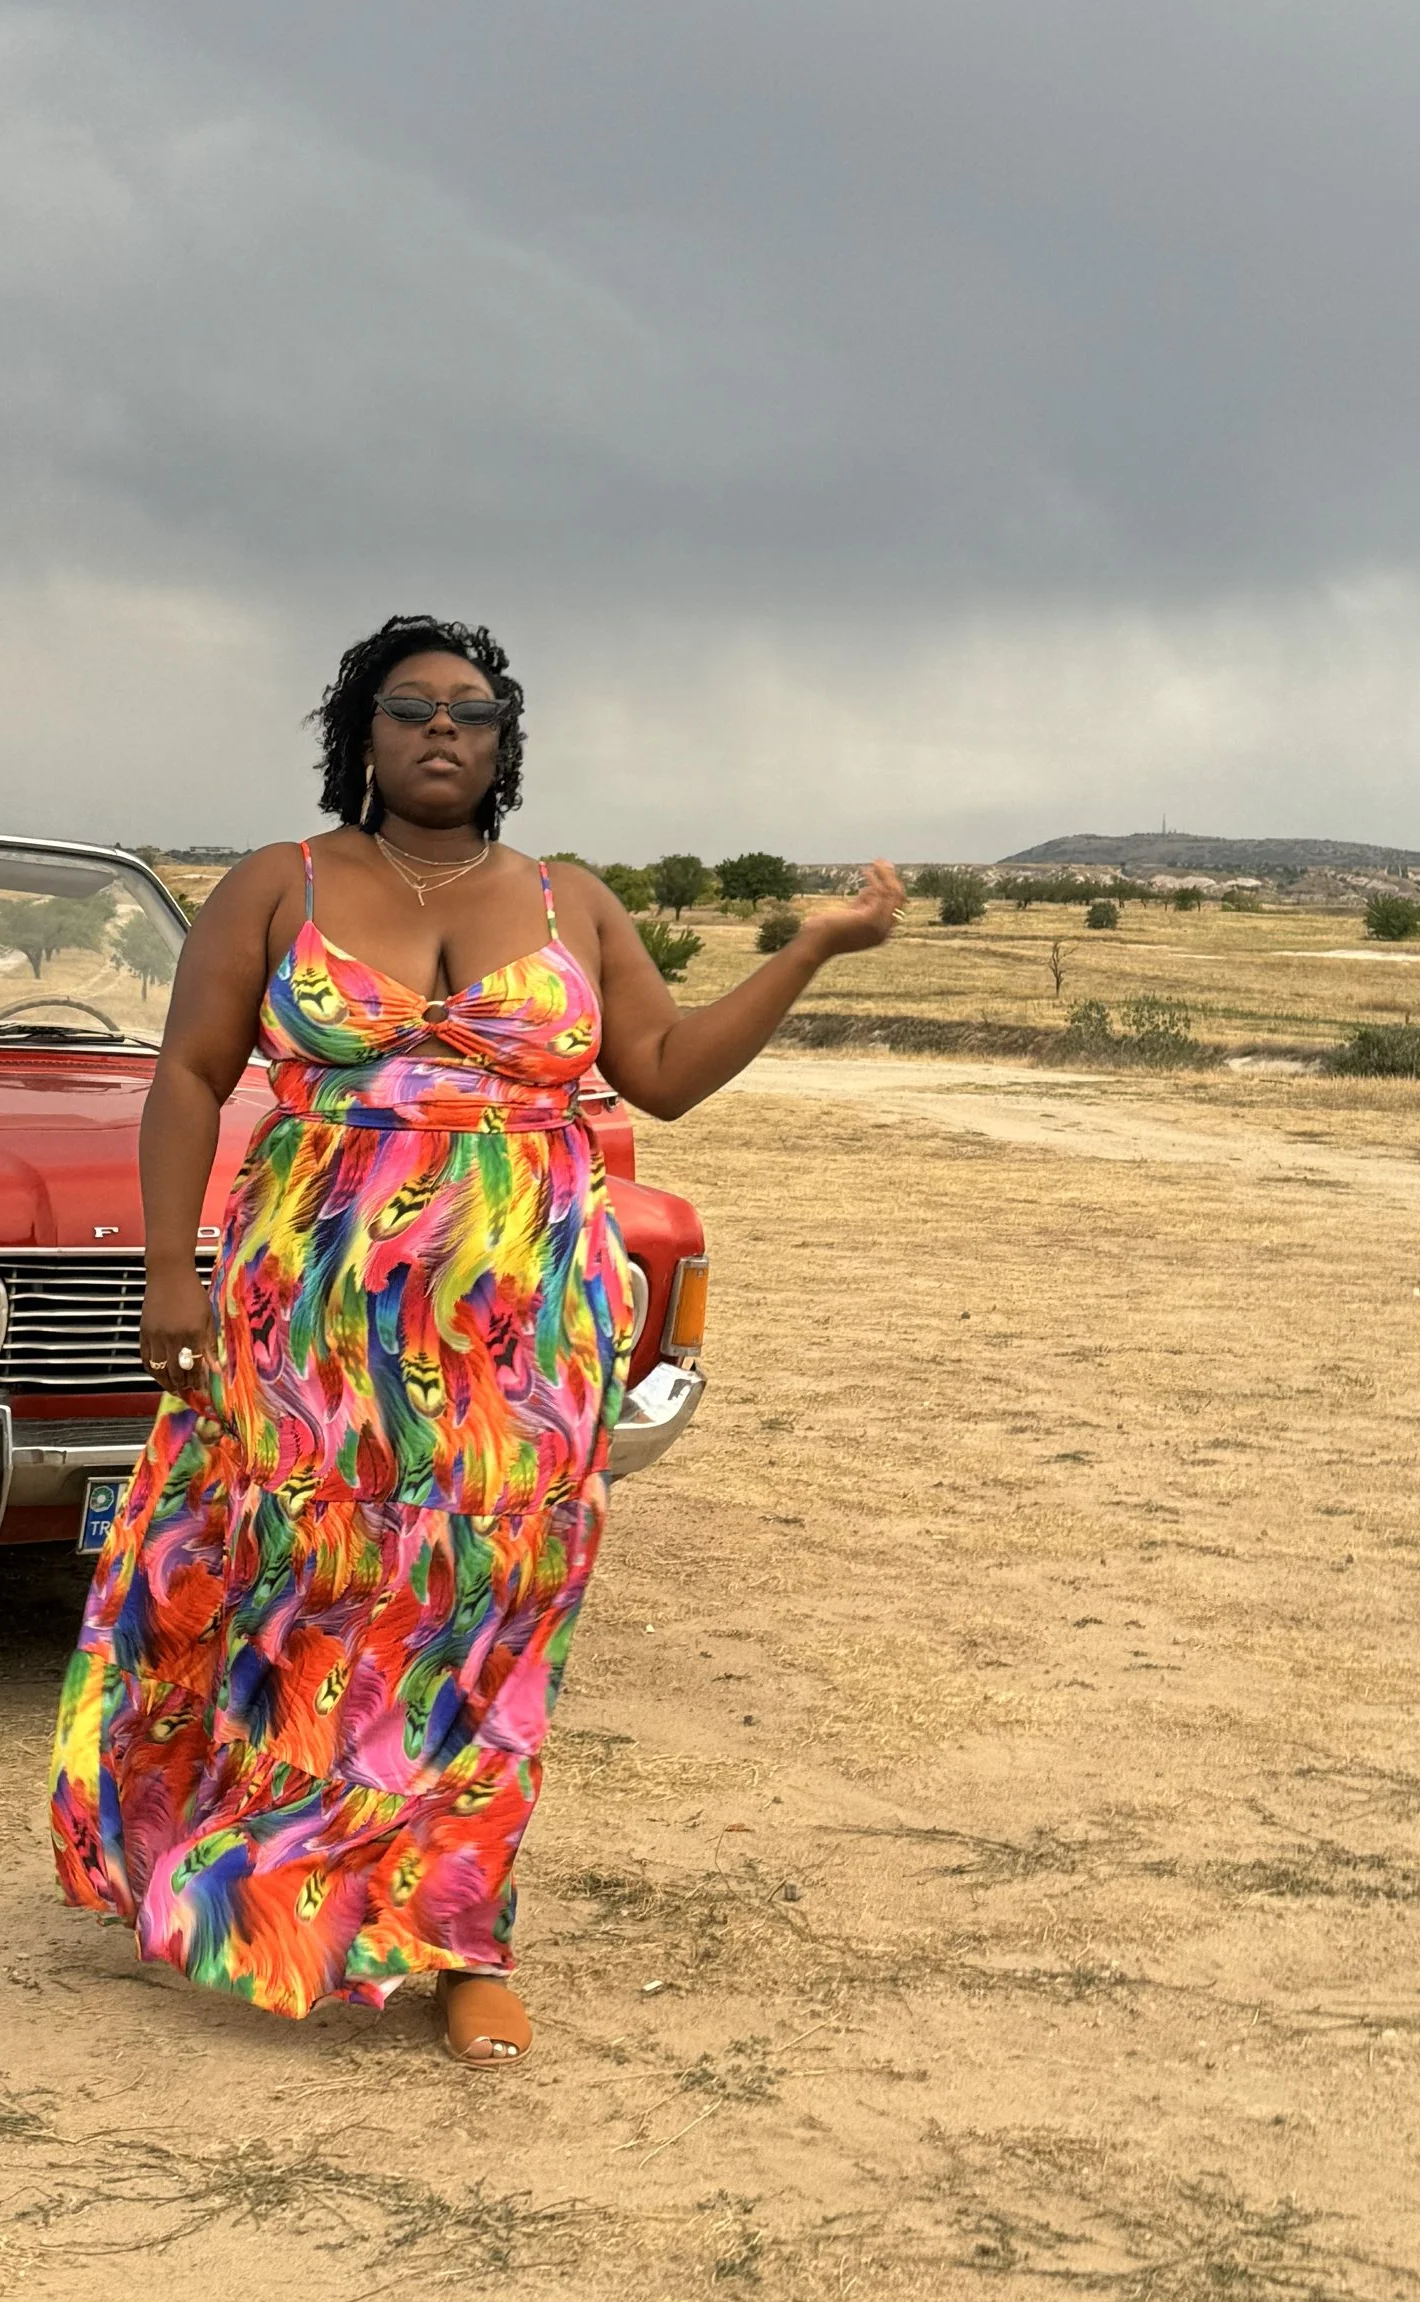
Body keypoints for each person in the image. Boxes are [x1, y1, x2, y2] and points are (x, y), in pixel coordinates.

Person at [48, 613, 904, 2062]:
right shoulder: (279, 884)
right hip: (308, 1308)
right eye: (410, 707)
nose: (443, 729)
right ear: (361, 733)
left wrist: (814, 946)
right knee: (307, 1589)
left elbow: (669, 1074)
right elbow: (191, 1077)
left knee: (492, 1607)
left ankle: (460, 1936)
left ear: (507, 741)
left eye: (474, 710)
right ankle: (270, 1888)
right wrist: (167, 1276)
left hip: (523, 1321)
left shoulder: (573, 902)